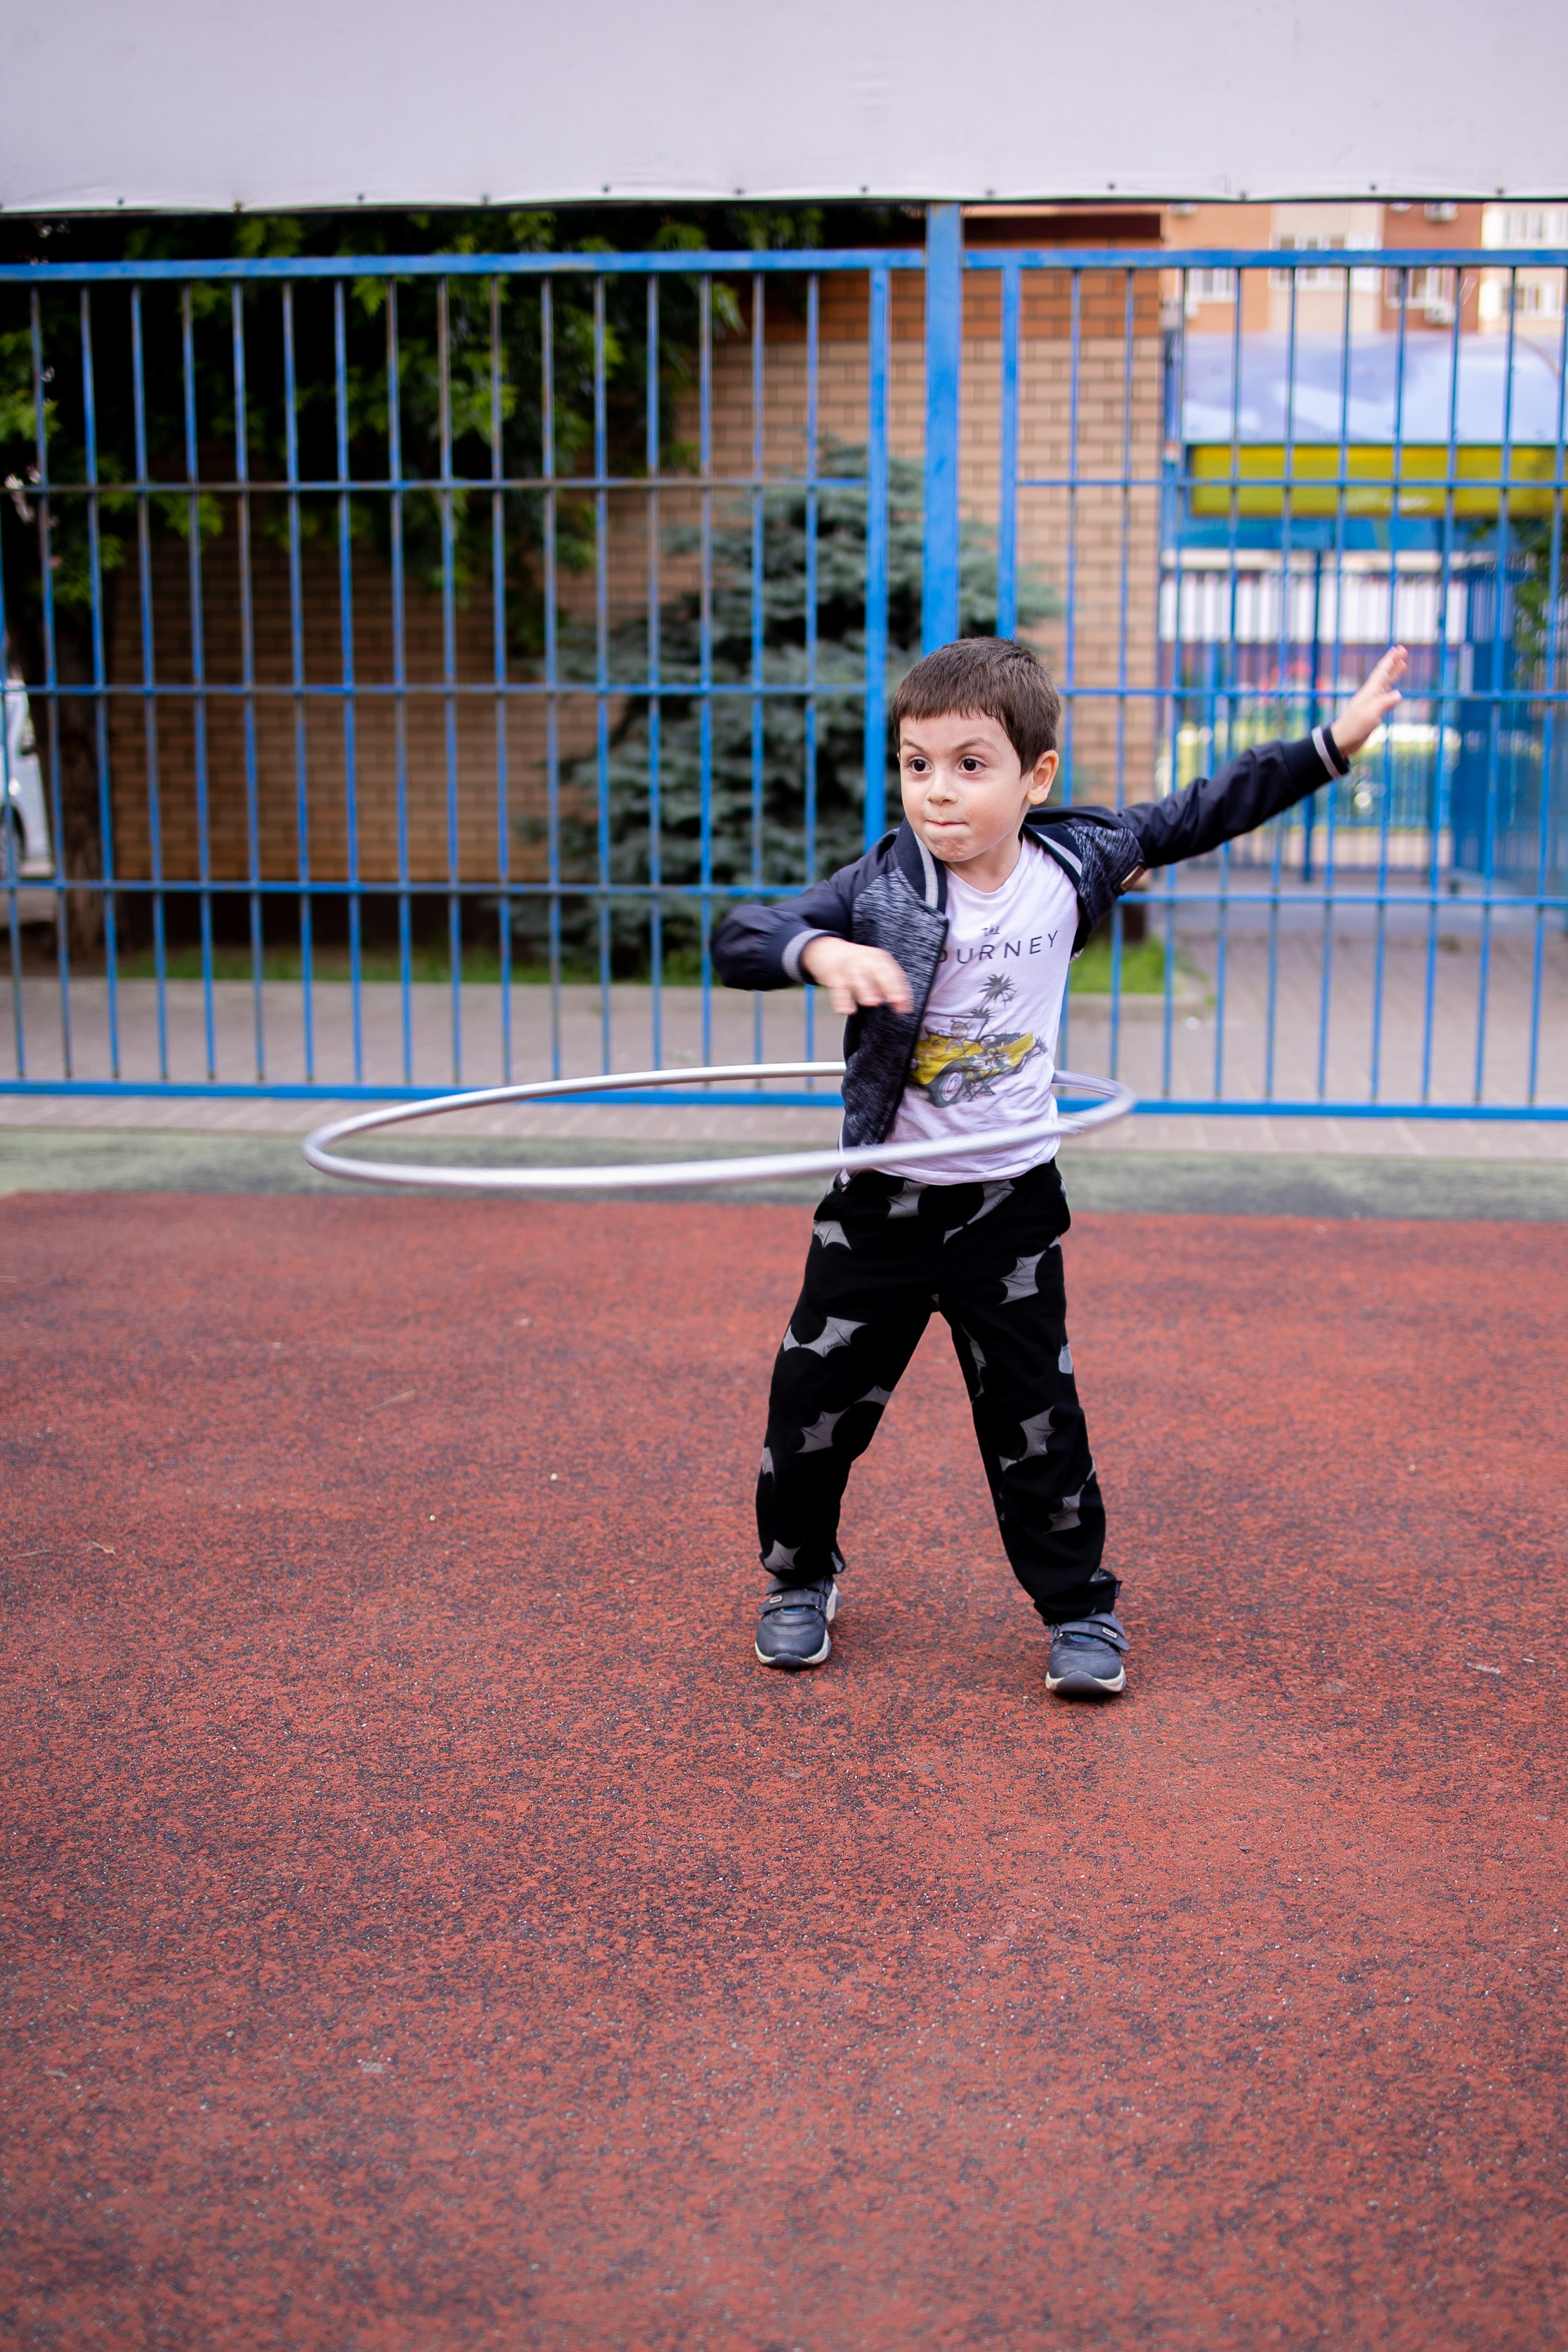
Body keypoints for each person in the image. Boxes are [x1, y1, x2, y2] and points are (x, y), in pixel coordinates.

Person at [712, 636, 1409, 1697]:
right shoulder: (881, 886)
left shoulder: (1076, 861)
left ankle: (1081, 1610)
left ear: (1036, 776)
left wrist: (1332, 745)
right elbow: (741, 936)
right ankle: (800, 1577)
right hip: (881, 1210)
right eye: (917, 765)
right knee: (809, 1407)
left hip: (1009, 1208)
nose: (937, 794)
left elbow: (1207, 808)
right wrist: (821, 951)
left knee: (1038, 1420)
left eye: (970, 765)